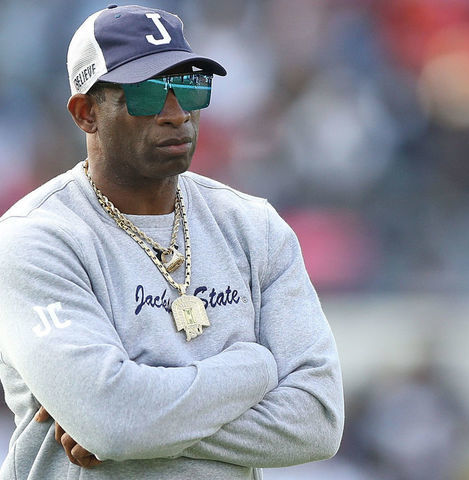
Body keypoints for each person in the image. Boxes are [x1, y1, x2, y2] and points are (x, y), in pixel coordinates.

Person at [0, 4, 344, 479]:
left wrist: (139, 427)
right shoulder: (36, 239)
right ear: (85, 114)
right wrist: (255, 367)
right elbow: (113, 422)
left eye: (189, 86)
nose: (176, 113)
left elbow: (317, 421)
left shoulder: (255, 227)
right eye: (146, 95)